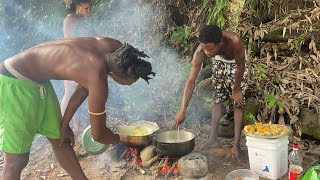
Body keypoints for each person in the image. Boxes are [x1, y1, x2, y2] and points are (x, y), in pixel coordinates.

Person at [0, 37, 155, 180]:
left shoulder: (118, 50)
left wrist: (65, 123)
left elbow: (83, 87)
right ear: (113, 74)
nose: (130, 84)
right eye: (129, 82)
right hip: (14, 82)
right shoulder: (97, 77)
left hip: (39, 82)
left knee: (61, 141)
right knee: (17, 161)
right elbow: (99, 135)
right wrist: (119, 139)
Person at [175, 24, 247, 161]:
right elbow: (191, 81)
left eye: (210, 49)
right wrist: (183, 109)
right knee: (217, 99)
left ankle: (236, 146)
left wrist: (236, 90)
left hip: (237, 64)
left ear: (220, 43)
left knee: (238, 103)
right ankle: (212, 138)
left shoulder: (234, 41)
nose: (207, 52)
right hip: (220, 62)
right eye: (204, 48)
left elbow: (241, 66)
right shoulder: (200, 52)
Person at [62, 0, 94, 134]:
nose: (89, 11)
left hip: (81, 60)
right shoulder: (71, 18)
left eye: (90, 9)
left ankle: (75, 125)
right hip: (72, 61)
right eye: (86, 8)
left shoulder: (81, 21)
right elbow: (70, 41)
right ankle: (63, 126)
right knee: (69, 94)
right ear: (78, 6)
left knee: (78, 93)